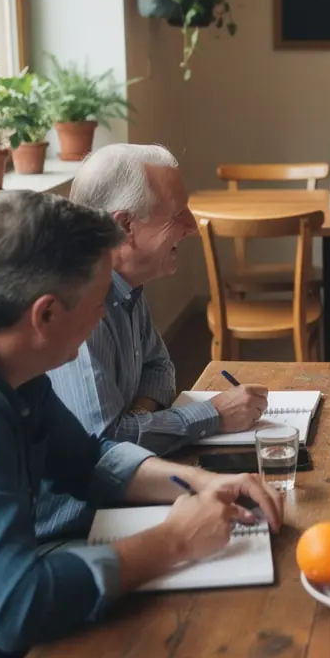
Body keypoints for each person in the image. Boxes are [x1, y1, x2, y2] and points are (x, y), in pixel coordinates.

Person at [0, 191, 283, 658]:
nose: (110, 308)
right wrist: (174, 540)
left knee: (156, 655)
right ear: (47, 314)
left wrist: (196, 483)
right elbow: (15, 606)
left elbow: (87, 461)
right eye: (102, 295)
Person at [39, 144, 268, 538]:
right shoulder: (77, 305)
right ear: (125, 226)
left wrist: (139, 419)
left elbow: (161, 368)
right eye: (178, 213)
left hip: (124, 498)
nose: (194, 226)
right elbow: (107, 445)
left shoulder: (127, 283)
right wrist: (212, 413)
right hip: (79, 527)